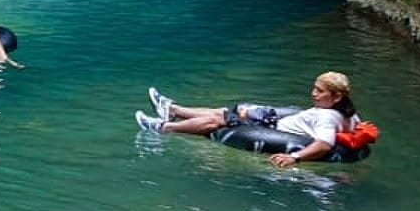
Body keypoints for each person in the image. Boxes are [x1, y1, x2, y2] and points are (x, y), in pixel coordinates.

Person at [135, 71, 361, 167]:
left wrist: (295, 157)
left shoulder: (327, 117)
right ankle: (172, 109)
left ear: (336, 96)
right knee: (223, 112)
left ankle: (164, 127)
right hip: (275, 125)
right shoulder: (348, 113)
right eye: (314, 88)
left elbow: (324, 144)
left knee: (217, 121)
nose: (313, 93)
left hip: (274, 131)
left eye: (320, 91)